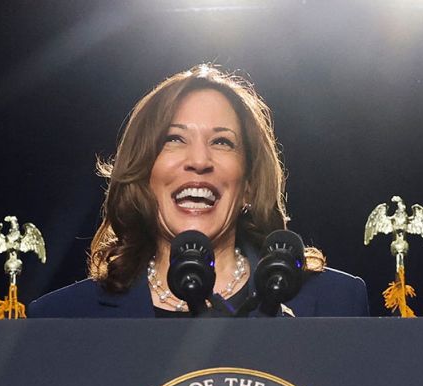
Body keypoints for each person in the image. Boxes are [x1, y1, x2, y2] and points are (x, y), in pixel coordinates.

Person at [29, 64, 369, 318]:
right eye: (174, 139)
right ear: (143, 173)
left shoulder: (333, 302)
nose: (199, 160)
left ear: (249, 184)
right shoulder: (63, 317)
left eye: (222, 142)